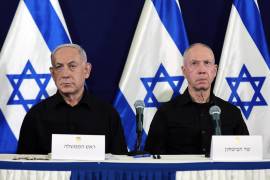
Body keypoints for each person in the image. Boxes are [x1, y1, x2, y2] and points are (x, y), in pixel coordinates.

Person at [17, 43, 127, 155]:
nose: (65, 74)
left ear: (86, 70)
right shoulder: (36, 115)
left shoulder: (107, 114)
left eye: (72, 66)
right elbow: (23, 167)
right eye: (59, 67)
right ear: (52, 73)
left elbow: (120, 164)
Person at [144, 43, 249, 155]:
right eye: (194, 63)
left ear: (214, 71)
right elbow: (152, 160)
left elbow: (246, 155)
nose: (202, 70)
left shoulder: (232, 113)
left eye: (207, 63)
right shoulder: (165, 113)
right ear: (184, 71)